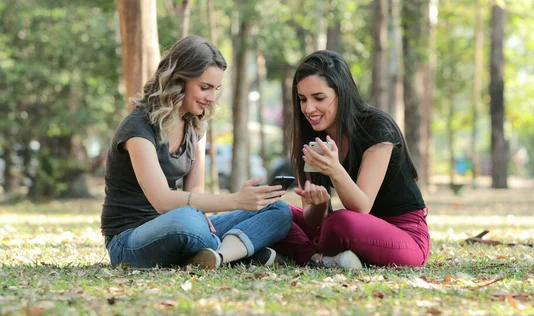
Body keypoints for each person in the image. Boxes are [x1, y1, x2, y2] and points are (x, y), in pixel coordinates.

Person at [101, 35, 292, 269]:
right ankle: (237, 251)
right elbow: (162, 200)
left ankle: (218, 256)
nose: (211, 98)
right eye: (205, 88)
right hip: (130, 240)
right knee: (189, 220)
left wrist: (203, 215)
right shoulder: (138, 127)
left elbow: (195, 190)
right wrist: (235, 201)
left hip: (183, 227)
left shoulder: (195, 125)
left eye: (216, 89)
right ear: (179, 80)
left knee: (278, 210)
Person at [272, 50, 430, 269]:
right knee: (274, 212)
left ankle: (305, 253)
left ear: (342, 94)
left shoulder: (377, 127)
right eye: (302, 99)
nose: (308, 109)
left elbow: (361, 208)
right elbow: (314, 219)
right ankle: (322, 259)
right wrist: (319, 204)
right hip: (347, 231)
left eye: (319, 98)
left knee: (339, 223)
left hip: (404, 235)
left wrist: (335, 170)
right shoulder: (311, 137)